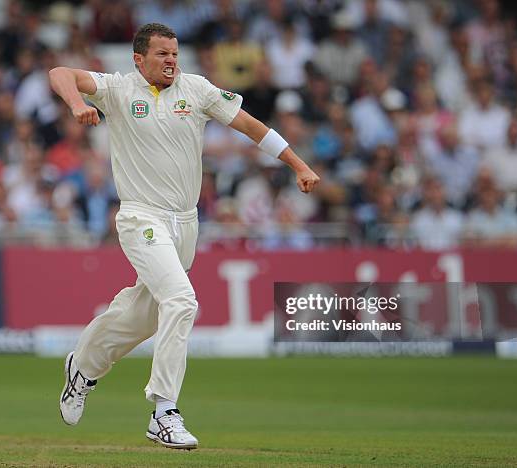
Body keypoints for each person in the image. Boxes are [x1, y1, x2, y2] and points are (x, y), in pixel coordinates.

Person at [48, 23, 319, 450]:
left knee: (141, 315)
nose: (171, 60)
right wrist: (77, 102)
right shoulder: (118, 89)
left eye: (174, 53)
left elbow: (252, 127)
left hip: (184, 224)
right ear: (139, 60)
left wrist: (298, 165)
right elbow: (60, 72)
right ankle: (164, 410)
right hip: (141, 217)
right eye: (161, 54)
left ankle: (81, 368)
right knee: (182, 300)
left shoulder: (197, 90)